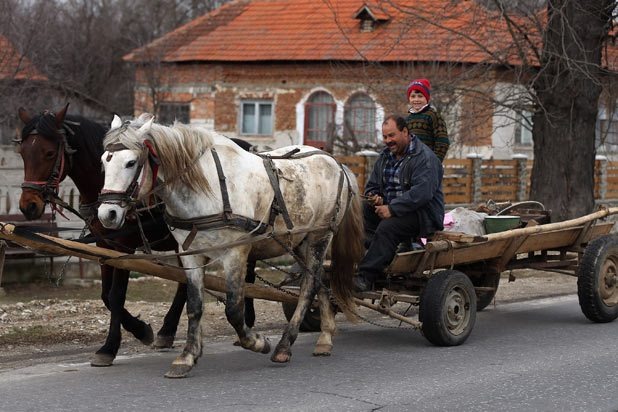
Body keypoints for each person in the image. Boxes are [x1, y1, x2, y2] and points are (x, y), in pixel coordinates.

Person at [354, 115, 445, 292]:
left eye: (392, 135)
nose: (388, 141)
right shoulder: (385, 157)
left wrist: (392, 209)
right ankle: (381, 257)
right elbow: (372, 186)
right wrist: (375, 196)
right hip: (393, 210)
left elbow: (422, 194)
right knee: (360, 213)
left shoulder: (425, 158)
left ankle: (366, 277)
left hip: (422, 215)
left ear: (405, 132)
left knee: (388, 228)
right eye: (385, 137)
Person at [405, 78, 450, 162]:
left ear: (427, 98)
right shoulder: (408, 119)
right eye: (413, 96)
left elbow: (443, 141)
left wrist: (435, 161)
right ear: (409, 98)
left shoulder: (433, 115)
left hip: (428, 163)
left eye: (420, 96)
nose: (416, 99)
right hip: (411, 164)